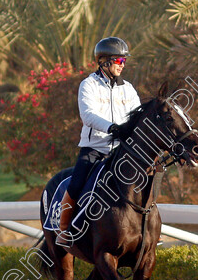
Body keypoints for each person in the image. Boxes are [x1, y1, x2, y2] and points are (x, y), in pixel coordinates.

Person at [56, 37, 141, 245]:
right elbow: (88, 115)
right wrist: (113, 128)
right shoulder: (88, 85)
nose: (123, 65)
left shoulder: (128, 88)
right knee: (76, 185)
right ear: (104, 61)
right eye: (119, 61)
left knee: (143, 183)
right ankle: (64, 230)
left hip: (122, 151)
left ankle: (145, 230)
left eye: (124, 61)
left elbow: (137, 114)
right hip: (95, 149)